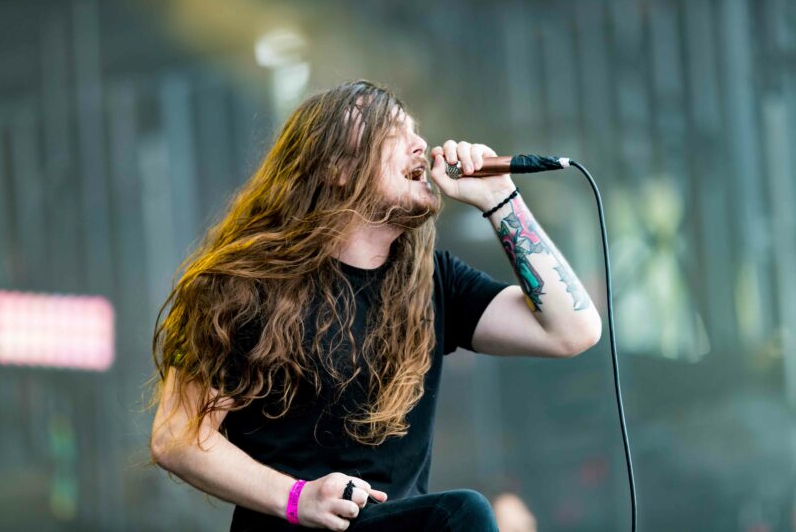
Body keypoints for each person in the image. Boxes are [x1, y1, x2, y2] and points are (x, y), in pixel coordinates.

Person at [149, 80, 602, 531]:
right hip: (295, 526)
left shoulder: (432, 281)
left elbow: (573, 330)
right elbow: (176, 438)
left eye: (415, 130)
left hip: (397, 524)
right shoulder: (242, 287)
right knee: (463, 514)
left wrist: (500, 198)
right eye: (392, 131)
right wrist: (297, 498)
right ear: (338, 168)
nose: (420, 144)